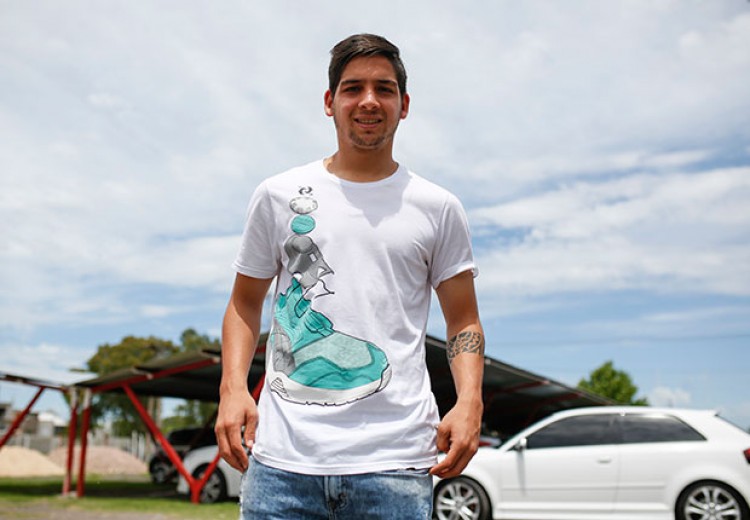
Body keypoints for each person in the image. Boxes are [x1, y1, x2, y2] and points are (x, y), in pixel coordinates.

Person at [215, 33, 485, 519]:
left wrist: (470, 401)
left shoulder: (438, 207)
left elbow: (463, 320)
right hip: (282, 467)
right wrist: (232, 387)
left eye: (384, 89)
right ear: (329, 102)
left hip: (395, 466)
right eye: (353, 87)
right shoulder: (278, 195)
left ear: (404, 105)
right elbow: (244, 303)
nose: (369, 100)